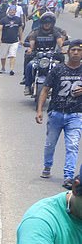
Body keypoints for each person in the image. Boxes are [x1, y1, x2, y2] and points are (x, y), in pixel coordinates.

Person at [36, 39, 82, 187]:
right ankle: (47, 166)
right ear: (68, 52)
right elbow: (45, 89)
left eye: (79, 50)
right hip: (56, 113)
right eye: (73, 50)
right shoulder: (57, 69)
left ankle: (68, 176)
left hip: (76, 115)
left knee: (73, 145)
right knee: (50, 144)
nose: (76, 52)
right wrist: (39, 110)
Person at [23, 12, 65, 96]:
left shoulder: (56, 32)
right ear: (42, 23)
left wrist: (62, 48)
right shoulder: (36, 32)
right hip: (37, 54)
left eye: (49, 23)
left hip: (51, 55)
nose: (47, 24)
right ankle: (27, 84)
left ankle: (61, 80)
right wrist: (30, 49)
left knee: (61, 59)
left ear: (52, 23)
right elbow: (31, 41)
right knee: (29, 64)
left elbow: (60, 41)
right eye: (45, 22)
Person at [0, 6, 25, 76]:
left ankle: (11, 69)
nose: (12, 12)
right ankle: (3, 67)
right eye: (11, 11)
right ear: (8, 11)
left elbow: (20, 30)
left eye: (13, 11)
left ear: (15, 12)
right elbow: (0, 30)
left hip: (14, 41)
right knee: (3, 56)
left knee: (12, 55)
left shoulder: (18, 20)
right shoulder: (3, 20)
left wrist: (21, 39)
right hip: (4, 41)